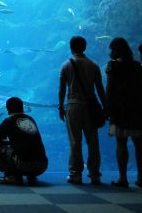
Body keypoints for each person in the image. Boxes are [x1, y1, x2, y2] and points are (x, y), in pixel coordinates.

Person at [58, 36, 106, 185]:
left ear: (71, 47)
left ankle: (75, 174)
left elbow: (62, 88)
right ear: (84, 47)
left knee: (75, 141)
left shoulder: (66, 65)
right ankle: (94, 174)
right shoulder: (94, 65)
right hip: (90, 107)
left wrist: (61, 106)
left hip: (73, 105)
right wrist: (105, 107)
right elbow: (100, 88)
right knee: (93, 141)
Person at [0, 96, 48, 185]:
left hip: (23, 165)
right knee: (24, 147)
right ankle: (31, 176)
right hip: (42, 166)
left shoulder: (8, 121)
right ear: (22, 107)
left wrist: (1, 142)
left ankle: (13, 176)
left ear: (8, 109)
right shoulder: (30, 119)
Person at [106, 37, 142, 187]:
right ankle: (141, 177)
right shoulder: (137, 65)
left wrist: (106, 107)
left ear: (114, 50)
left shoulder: (112, 66)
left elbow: (109, 88)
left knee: (121, 143)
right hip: (136, 109)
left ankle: (123, 177)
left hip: (118, 110)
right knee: (139, 144)